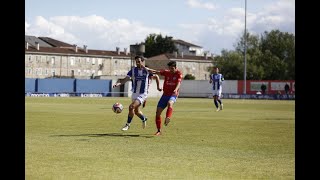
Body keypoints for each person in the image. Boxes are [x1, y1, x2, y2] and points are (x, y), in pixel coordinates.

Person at [112, 55, 152, 131]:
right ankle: (144, 118)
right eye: (136, 62)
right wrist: (118, 84)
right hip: (134, 93)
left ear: (142, 62)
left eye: (139, 61)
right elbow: (125, 79)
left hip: (142, 94)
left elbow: (156, 75)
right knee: (136, 112)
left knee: (131, 107)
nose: (137, 63)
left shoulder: (146, 71)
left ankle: (127, 125)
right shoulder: (133, 70)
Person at [146, 61, 183, 135]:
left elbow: (179, 82)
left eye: (172, 68)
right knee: (157, 113)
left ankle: (167, 118)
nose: (171, 70)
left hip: (173, 94)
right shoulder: (167, 72)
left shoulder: (179, 73)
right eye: (169, 68)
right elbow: (156, 72)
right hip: (165, 95)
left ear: (175, 67)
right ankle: (159, 131)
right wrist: (147, 69)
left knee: (170, 103)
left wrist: (175, 89)